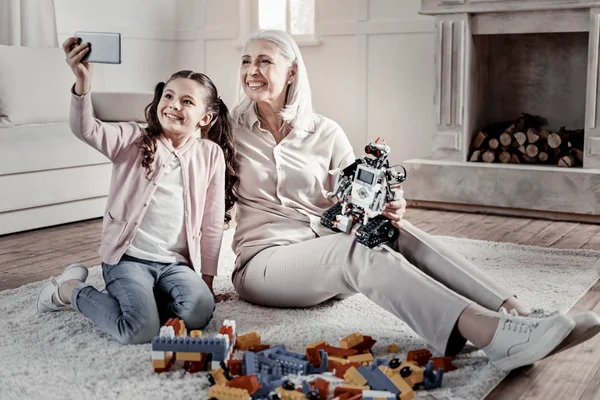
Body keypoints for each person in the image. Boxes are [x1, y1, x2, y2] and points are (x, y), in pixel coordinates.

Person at [229, 29, 600, 371]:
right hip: (266, 262)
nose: (252, 70)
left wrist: (387, 206)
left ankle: (520, 314)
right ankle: (492, 334)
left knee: (394, 232)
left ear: (292, 72)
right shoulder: (227, 131)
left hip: (324, 254)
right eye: (246, 60)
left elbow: (357, 197)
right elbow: (197, 192)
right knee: (352, 252)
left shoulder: (325, 132)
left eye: (264, 60)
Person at [35, 37, 237, 345]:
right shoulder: (133, 138)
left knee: (199, 312)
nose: (173, 105)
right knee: (140, 331)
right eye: (168, 96)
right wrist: (83, 83)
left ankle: (145, 300)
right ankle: (68, 289)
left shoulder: (210, 155)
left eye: (187, 101)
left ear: (205, 118)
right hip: (128, 259)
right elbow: (86, 129)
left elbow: (210, 224)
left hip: (175, 264)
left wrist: (206, 281)